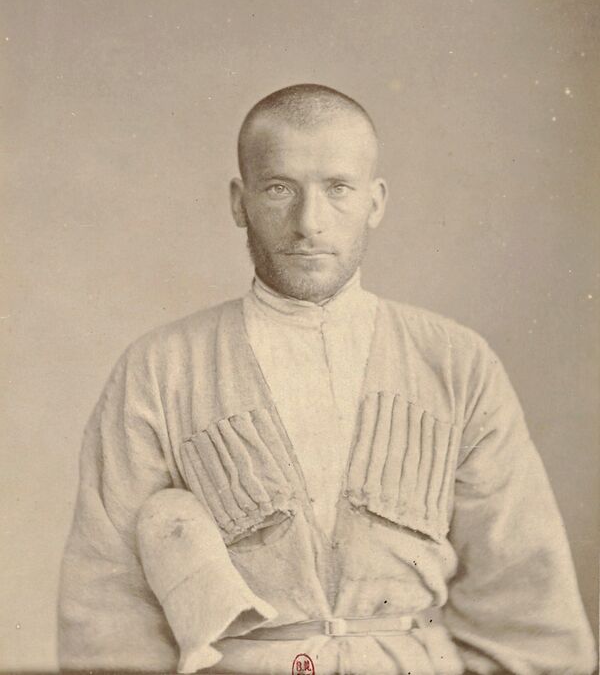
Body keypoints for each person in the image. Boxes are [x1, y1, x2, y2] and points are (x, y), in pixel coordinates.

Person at [58, 84, 596, 675]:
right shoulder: (161, 369)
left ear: (375, 202)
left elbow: (525, 600)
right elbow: (108, 611)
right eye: (279, 188)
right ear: (239, 202)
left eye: (337, 188)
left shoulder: (455, 363)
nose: (309, 223)